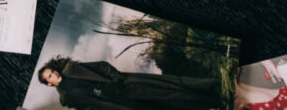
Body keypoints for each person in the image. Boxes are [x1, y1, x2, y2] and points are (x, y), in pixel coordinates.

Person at [37, 56, 220, 110]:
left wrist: (116, 78)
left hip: (126, 85)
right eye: (49, 77)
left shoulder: (72, 69)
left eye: (52, 71)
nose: (53, 74)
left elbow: (102, 66)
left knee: (168, 94)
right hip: (121, 104)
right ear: (50, 84)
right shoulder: (67, 98)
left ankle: (212, 99)